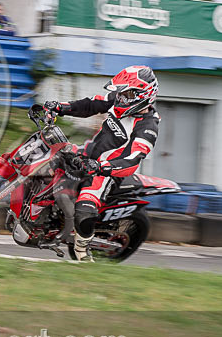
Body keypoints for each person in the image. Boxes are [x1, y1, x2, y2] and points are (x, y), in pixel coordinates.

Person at [42, 65, 160, 262]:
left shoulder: (148, 127)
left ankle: (82, 251)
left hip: (107, 171)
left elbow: (132, 160)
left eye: (127, 94)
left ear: (143, 95)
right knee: (46, 159)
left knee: (84, 207)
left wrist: (103, 168)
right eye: (120, 93)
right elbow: (90, 105)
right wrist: (60, 107)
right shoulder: (118, 100)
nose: (121, 98)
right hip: (86, 154)